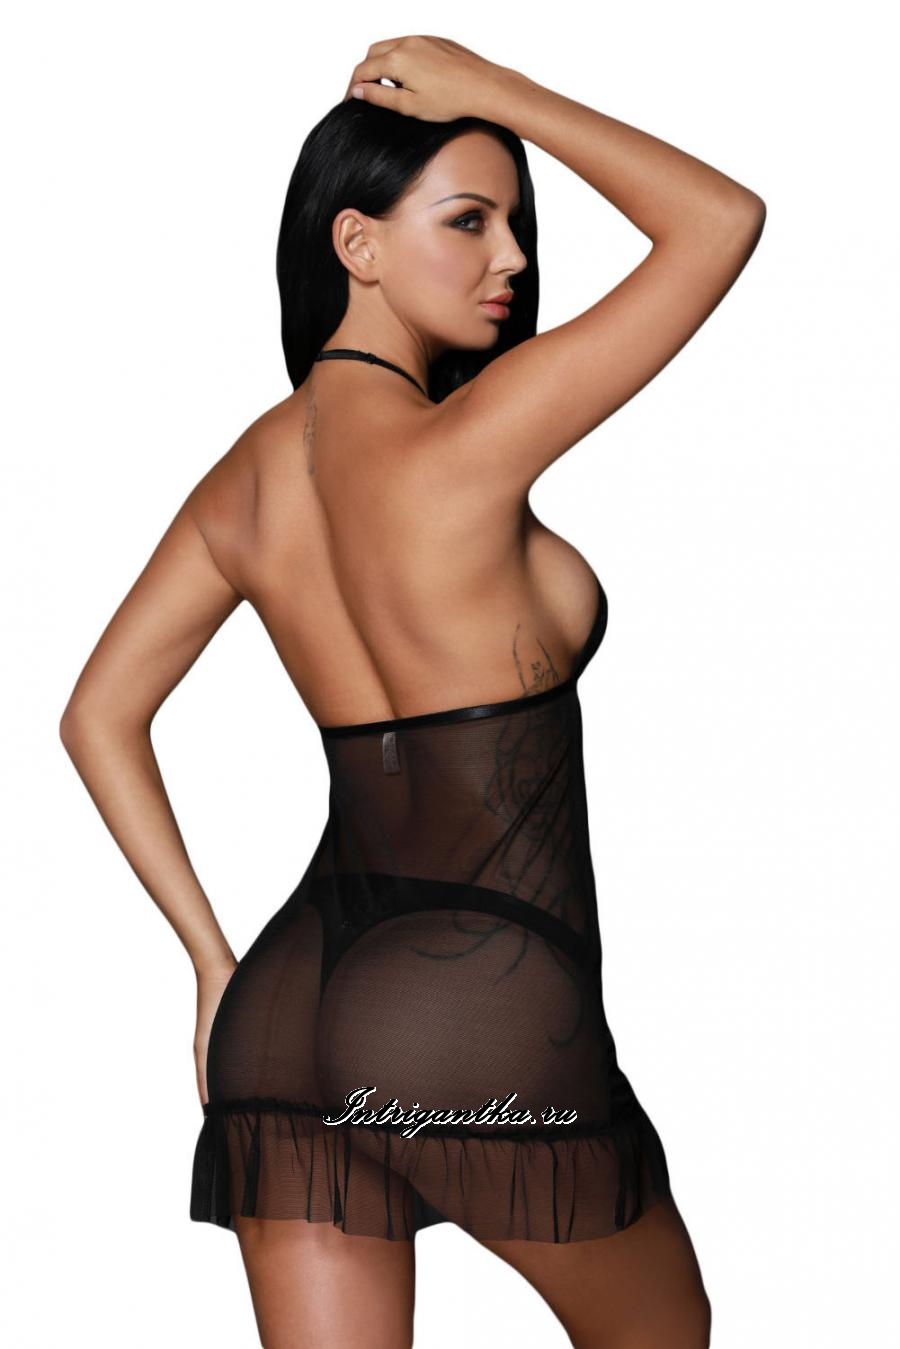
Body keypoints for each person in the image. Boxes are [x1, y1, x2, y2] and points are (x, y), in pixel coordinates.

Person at [59, 34, 764, 1349]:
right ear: (357, 245)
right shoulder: (473, 442)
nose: (514, 258)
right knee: (662, 1335)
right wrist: (497, 93)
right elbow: (720, 222)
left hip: (283, 1008)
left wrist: (210, 963)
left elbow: (97, 714)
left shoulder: (241, 481)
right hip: (474, 997)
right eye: (470, 219)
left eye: (517, 224)